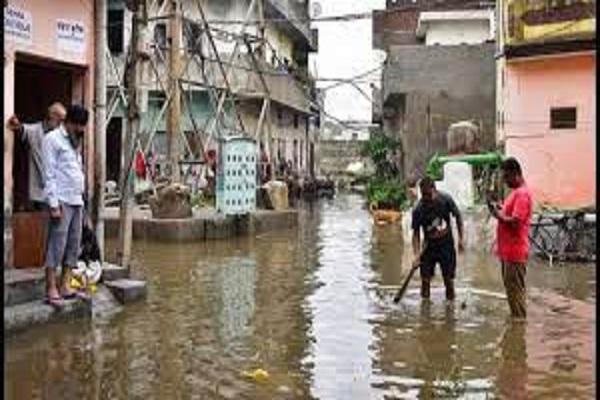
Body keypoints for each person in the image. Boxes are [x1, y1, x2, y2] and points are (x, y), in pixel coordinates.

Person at [42, 105, 89, 306]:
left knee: (73, 244)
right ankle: (51, 287)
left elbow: (75, 170)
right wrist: (53, 204)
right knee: (56, 245)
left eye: (83, 127)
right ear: (68, 123)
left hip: (76, 200)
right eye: (78, 126)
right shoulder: (52, 140)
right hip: (61, 200)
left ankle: (65, 285)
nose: (81, 131)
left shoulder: (74, 141)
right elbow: (49, 173)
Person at [487, 157, 533, 319]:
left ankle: (518, 332)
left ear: (516, 174)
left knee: (515, 293)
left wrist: (497, 215)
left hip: (515, 253)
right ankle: (516, 324)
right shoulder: (516, 193)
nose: (505, 181)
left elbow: (516, 223)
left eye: (506, 177)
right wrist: (500, 208)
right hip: (509, 252)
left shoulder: (522, 195)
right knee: (513, 292)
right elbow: (511, 214)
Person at [411, 176, 464, 301]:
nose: (426, 198)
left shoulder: (446, 200)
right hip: (428, 247)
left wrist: (461, 239)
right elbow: (416, 234)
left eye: (429, 195)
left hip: (446, 246)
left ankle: (450, 310)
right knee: (425, 281)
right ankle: (425, 310)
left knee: (449, 281)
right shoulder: (418, 210)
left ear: (434, 190)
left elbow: (458, 217)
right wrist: (417, 255)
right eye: (423, 195)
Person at [7, 102, 66, 210]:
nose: (61, 124)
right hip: (37, 190)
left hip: (55, 189)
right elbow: (21, 129)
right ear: (52, 116)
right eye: (60, 120)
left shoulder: (59, 136)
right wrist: (15, 122)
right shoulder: (35, 131)